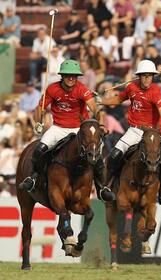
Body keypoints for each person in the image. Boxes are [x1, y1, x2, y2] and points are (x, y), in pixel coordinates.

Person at [18, 60, 115, 202]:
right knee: (39, 149)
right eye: (68, 75)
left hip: (78, 129)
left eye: (74, 76)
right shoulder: (52, 89)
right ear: (62, 76)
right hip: (58, 127)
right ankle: (33, 177)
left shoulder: (82, 89)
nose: (71, 79)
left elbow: (95, 109)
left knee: (96, 155)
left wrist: (100, 125)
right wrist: (38, 120)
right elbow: (40, 109)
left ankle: (102, 188)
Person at [100, 60, 161, 205]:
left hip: (152, 132)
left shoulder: (156, 91)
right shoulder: (131, 87)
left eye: (149, 76)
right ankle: (107, 187)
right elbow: (117, 99)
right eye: (144, 76)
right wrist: (100, 101)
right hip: (134, 130)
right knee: (114, 154)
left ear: (153, 76)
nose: (147, 79)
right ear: (139, 76)